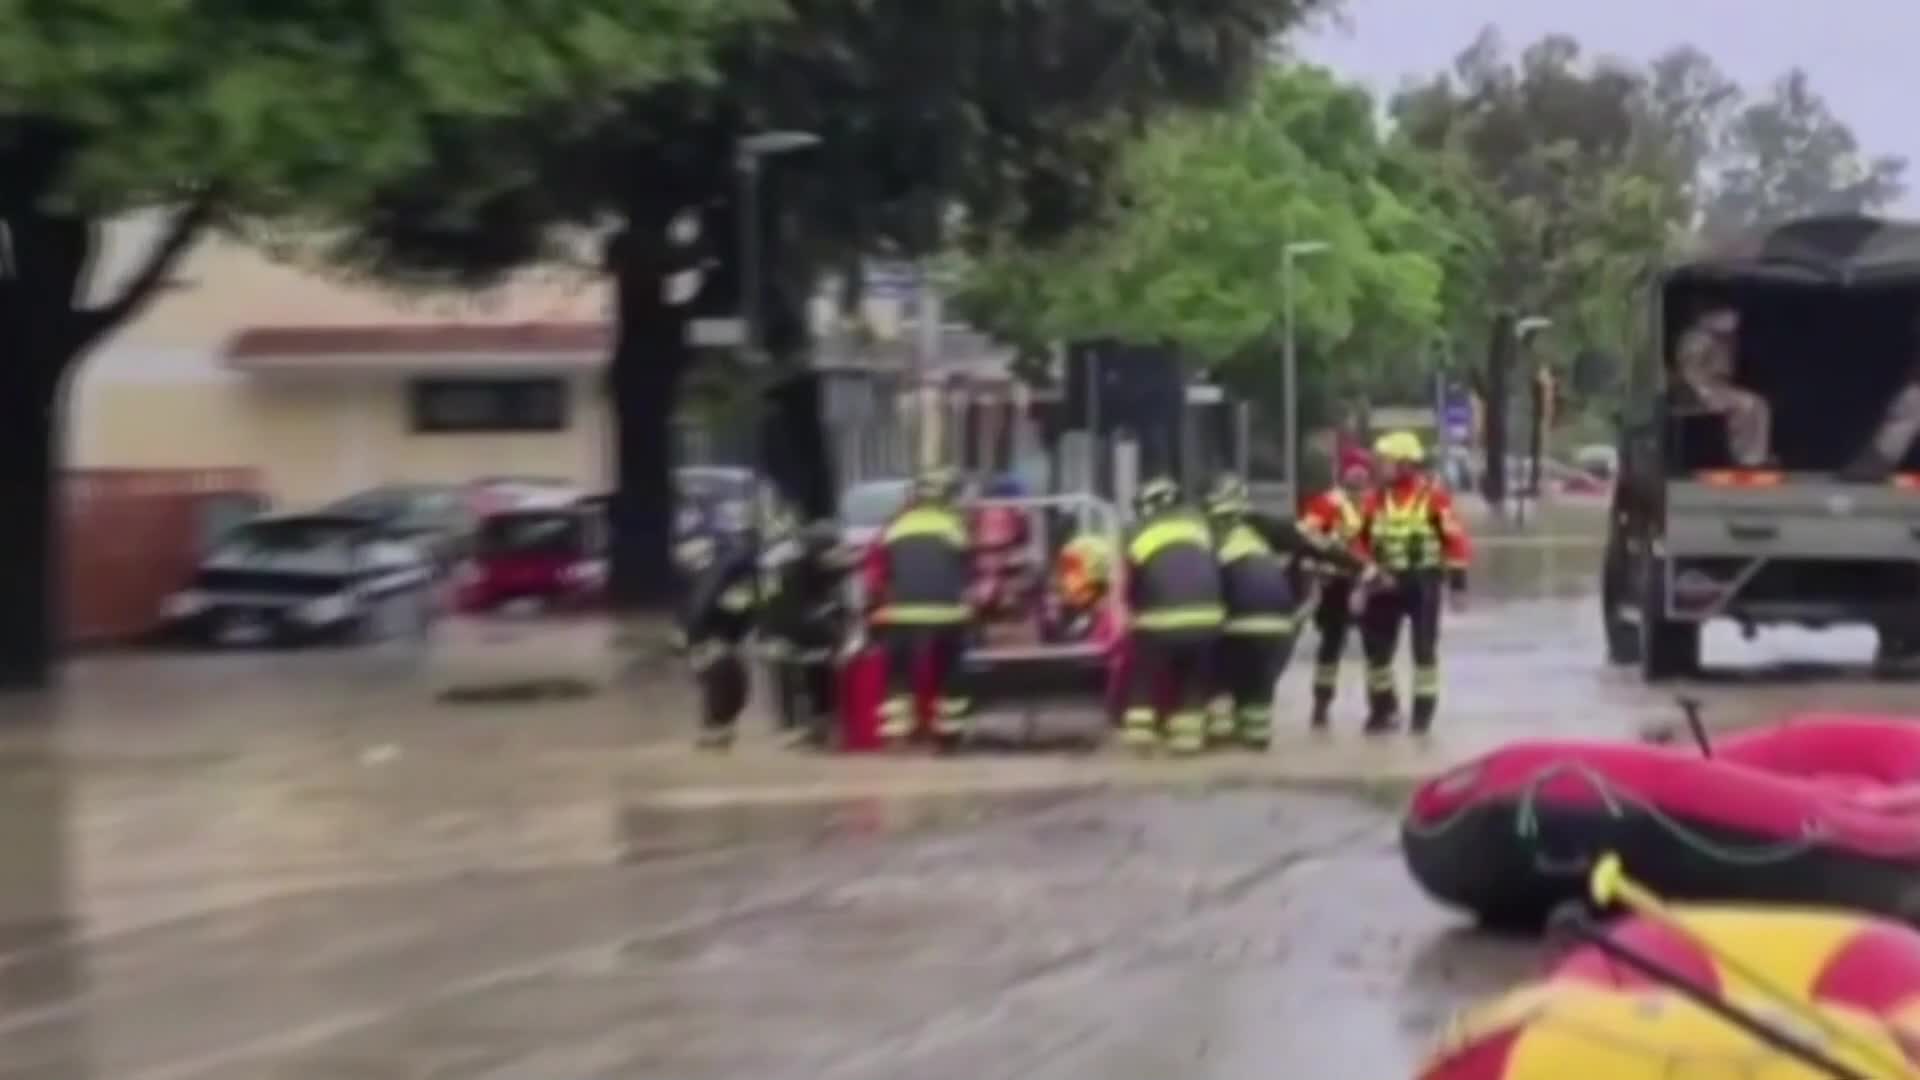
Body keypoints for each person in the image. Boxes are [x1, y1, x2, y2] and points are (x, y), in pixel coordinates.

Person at [1204, 473, 1372, 750]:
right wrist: (1363, 567)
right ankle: (1255, 740)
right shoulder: (1271, 526)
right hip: (1279, 620)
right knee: (1259, 690)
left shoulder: (1204, 531)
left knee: (1220, 680)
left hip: (1236, 622)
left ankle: (1222, 742)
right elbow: (1321, 545)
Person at [1355, 431, 1472, 735]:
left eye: (1385, 461)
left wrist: (1458, 586)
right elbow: (1359, 543)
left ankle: (1421, 721)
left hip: (1422, 582)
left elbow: (1456, 541)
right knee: (1376, 653)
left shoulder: (1433, 498)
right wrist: (1362, 579)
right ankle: (1383, 710)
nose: (1377, 466)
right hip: (1382, 582)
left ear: (1405, 464)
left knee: (1423, 652)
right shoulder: (1373, 500)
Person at [869, 466, 974, 745]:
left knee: (898, 669)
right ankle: (949, 732)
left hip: (902, 613)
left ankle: (897, 733)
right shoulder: (954, 526)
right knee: (951, 668)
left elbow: (878, 573)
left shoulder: (895, 527)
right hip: (947, 613)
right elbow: (966, 567)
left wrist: (881, 603)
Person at [1121, 476, 1224, 755]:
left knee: (1144, 671)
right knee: (1193, 676)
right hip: (1207, 620)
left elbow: (1128, 583)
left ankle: (1140, 737)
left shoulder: (1136, 531)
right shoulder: (1201, 526)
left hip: (1159, 622)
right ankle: (1187, 741)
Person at [1297, 448, 1376, 730]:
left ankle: (1381, 707)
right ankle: (1321, 704)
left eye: (1363, 472)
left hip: (1369, 582)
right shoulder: (1326, 504)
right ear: (1343, 474)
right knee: (1331, 645)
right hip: (1335, 583)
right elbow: (1307, 538)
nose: (1359, 477)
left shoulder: (1375, 503)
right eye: (1354, 472)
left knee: (1376, 647)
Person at [676, 528, 758, 750]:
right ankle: (715, 729)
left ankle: (718, 729)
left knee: (726, 682)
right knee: (721, 680)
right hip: (711, 636)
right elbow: (700, 608)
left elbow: (740, 608)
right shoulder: (720, 572)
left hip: (716, 635)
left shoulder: (722, 571)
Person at [1673, 306, 1773, 467]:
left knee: (1759, 405)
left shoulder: (1724, 340)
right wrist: (1704, 392)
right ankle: (1746, 456)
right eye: (1726, 316)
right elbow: (1689, 372)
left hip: (1718, 389)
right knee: (1747, 403)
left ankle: (1754, 455)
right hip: (1699, 391)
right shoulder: (1697, 337)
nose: (1733, 321)